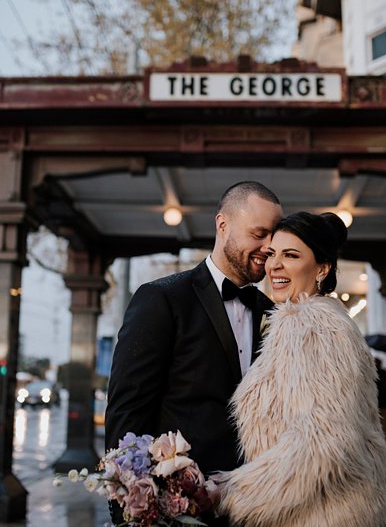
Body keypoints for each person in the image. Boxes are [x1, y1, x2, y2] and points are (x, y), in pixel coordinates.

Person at [105, 181, 283, 524]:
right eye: (259, 234)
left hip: (253, 509)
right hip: (178, 512)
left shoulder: (272, 312)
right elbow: (126, 414)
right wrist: (132, 511)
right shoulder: (162, 299)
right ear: (223, 225)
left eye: (273, 238)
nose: (268, 248)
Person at [213, 212, 386, 527]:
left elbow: (324, 442)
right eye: (272, 254)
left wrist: (229, 491)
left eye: (291, 255)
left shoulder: (316, 324)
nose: (275, 265)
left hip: (330, 514)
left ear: (322, 267)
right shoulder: (296, 322)